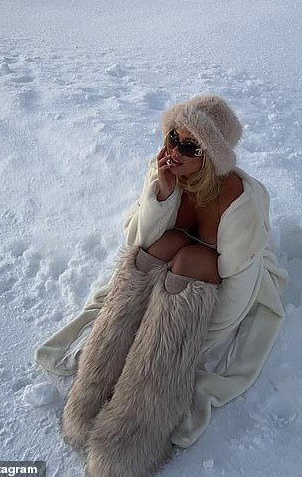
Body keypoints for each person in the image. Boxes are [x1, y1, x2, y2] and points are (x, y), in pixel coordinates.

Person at [34, 94, 288, 477]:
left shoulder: (240, 202)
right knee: (158, 248)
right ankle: (93, 390)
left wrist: (196, 337)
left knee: (188, 259)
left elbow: (240, 285)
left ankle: (137, 432)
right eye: (172, 136)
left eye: (190, 145)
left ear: (211, 155)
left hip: (216, 279)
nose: (175, 150)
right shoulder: (165, 170)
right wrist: (163, 191)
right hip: (172, 263)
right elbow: (136, 235)